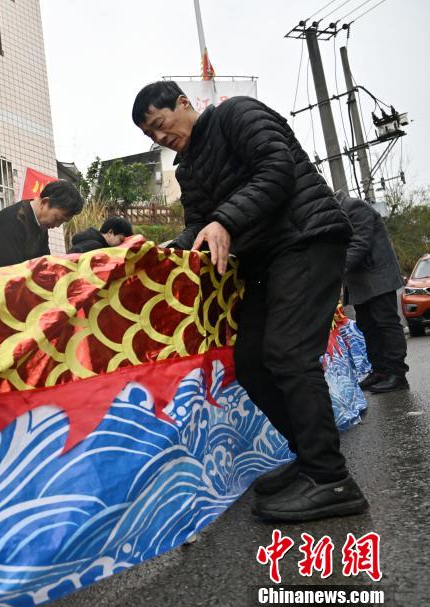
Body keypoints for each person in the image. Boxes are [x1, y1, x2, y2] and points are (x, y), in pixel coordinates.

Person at [131, 81, 367, 522]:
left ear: (184, 103)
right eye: (151, 136)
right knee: (251, 361)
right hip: (265, 262)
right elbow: (200, 226)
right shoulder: (189, 169)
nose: (160, 138)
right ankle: (309, 460)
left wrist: (225, 219)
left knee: (289, 354)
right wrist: (161, 252)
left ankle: (331, 479)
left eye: (160, 124)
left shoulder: (236, 114)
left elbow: (277, 169)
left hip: (306, 239)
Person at [337, 190, 409, 393]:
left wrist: (335, 271)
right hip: (360, 280)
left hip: (377, 276)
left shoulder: (354, 207)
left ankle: (397, 373)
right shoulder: (336, 213)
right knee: (367, 325)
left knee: (386, 323)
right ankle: (380, 370)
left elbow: (360, 243)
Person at [0, 180, 83, 269]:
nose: (57, 225)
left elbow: (42, 265)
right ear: (45, 202)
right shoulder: (12, 221)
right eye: (57, 219)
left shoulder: (41, 225)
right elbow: (12, 271)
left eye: (62, 222)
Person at [68, 216, 133, 253]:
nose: (122, 245)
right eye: (121, 240)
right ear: (110, 232)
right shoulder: (94, 246)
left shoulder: (94, 242)